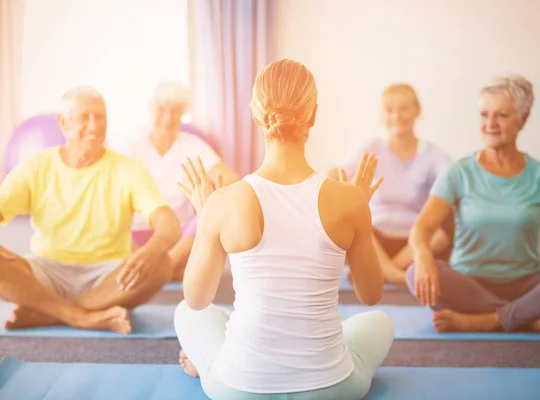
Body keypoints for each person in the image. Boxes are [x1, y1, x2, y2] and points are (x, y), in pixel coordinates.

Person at [173, 59, 394, 400]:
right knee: (380, 322)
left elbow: (196, 298)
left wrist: (208, 220)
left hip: (237, 389)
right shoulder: (350, 200)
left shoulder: (223, 202)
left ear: (254, 113)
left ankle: (208, 362)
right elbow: (370, 296)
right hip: (332, 390)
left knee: (186, 312)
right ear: (314, 115)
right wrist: (358, 211)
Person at [407, 75, 540, 335]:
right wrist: (423, 257)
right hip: (467, 284)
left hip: (527, 285)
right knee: (413, 273)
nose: (490, 124)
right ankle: (526, 316)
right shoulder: (458, 173)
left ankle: (488, 320)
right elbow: (421, 228)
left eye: (502, 116)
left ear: (523, 119)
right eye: (484, 114)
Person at [0, 87, 182, 333]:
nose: (95, 125)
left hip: (108, 275)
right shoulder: (35, 167)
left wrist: (150, 251)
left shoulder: (128, 169)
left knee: (161, 263)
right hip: (47, 271)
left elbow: (169, 225)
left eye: (101, 117)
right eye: (84, 117)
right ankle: (80, 316)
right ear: (63, 122)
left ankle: (51, 313)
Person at [330, 83, 453, 286]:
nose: (397, 116)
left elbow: (453, 181)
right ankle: (399, 276)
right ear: (383, 114)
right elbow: (339, 172)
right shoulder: (373, 147)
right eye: (390, 110)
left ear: (417, 110)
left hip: (414, 243)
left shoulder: (433, 154)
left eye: (404, 108)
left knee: (450, 223)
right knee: (351, 215)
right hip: (374, 240)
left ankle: (386, 270)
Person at [119, 81, 239, 278]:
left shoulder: (192, 145)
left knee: (210, 210)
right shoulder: (131, 145)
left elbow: (230, 178)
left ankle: (165, 267)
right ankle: (170, 271)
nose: (167, 118)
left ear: (182, 113)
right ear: (150, 108)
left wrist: (213, 192)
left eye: (175, 111)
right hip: (137, 234)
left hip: (180, 238)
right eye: (161, 109)